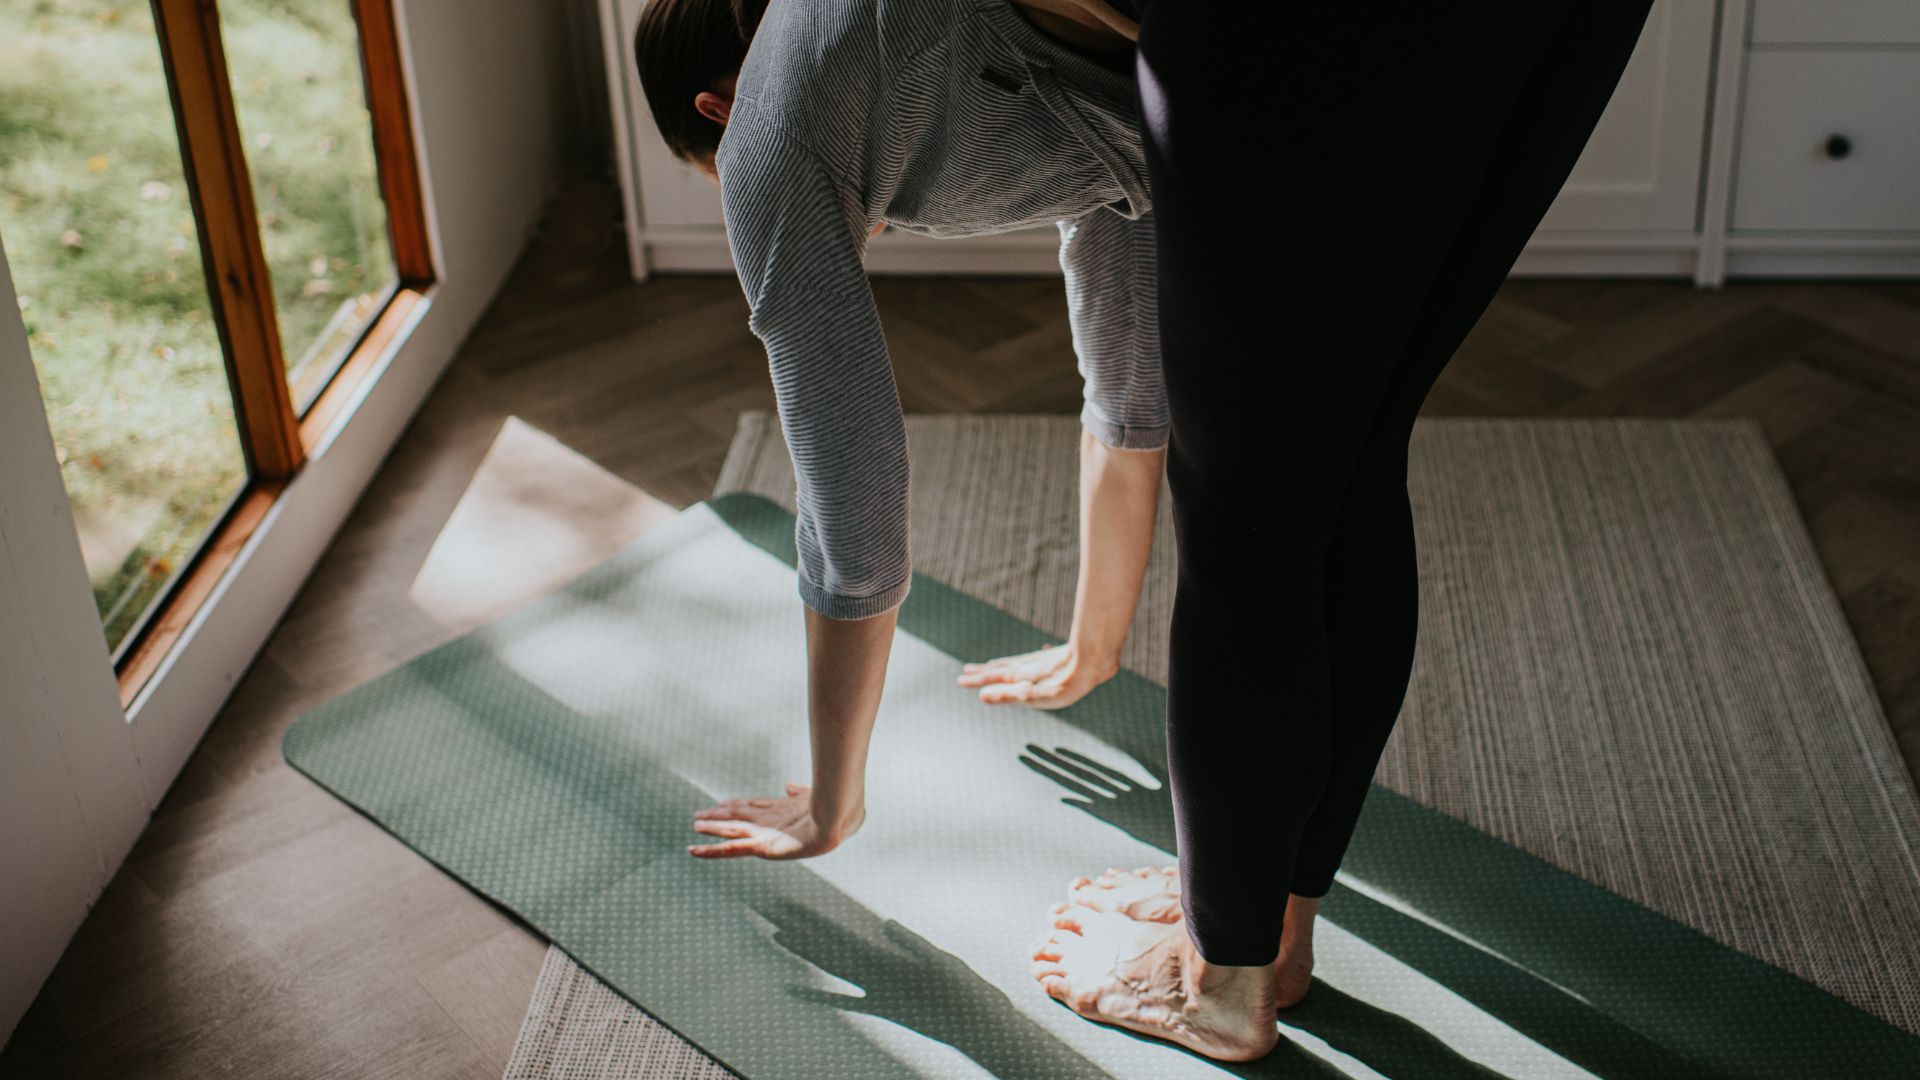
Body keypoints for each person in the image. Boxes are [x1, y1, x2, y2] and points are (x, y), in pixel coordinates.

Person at [636, 0, 1655, 1062]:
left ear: (719, 107)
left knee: (1251, 525)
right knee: (1344, 467)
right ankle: (1269, 939)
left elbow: (848, 495)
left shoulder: (772, 127)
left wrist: (829, 804)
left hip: (1320, 43)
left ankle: (1220, 992)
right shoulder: (1024, 61)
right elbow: (1126, 314)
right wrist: (1094, 643)